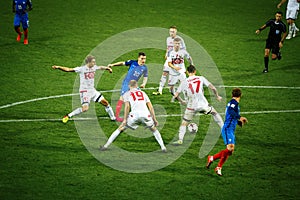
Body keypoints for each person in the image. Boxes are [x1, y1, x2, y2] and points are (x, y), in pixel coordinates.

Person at [100, 80, 167, 152]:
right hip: (145, 114)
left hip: (134, 115)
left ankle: (105, 146)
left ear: (129, 86)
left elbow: (127, 107)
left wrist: (125, 119)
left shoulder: (126, 94)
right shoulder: (143, 93)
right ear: (137, 86)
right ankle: (163, 147)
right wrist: (154, 119)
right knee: (154, 130)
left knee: (120, 129)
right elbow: (150, 107)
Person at [52, 55, 116, 123]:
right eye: (93, 62)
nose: (94, 63)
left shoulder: (94, 67)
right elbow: (68, 69)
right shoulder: (81, 69)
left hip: (93, 91)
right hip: (85, 91)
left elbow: (100, 67)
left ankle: (113, 118)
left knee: (105, 103)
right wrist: (58, 67)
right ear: (88, 62)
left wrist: (108, 68)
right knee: (85, 109)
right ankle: (68, 115)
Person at [172, 65, 224, 145]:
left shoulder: (184, 81)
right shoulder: (201, 78)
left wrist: (181, 101)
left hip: (191, 107)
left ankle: (180, 139)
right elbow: (213, 88)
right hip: (203, 105)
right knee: (214, 113)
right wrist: (217, 96)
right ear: (195, 71)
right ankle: (224, 131)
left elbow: (176, 95)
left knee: (184, 123)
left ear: (187, 72)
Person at [206, 88, 248, 176]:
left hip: (230, 129)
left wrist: (238, 122)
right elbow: (230, 111)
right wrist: (240, 117)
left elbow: (231, 115)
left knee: (230, 151)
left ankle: (212, 158)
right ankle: (218, 167)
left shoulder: (232, 103)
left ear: (232, 95)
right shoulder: (234, 103)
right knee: (230, 148)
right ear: (240, 95)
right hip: (227, 128)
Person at [108, 52, 148, 122]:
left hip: (134, 85)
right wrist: (112, 65)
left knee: (140, 98)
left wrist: (144, 83)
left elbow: (145, 76)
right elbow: (122, 63)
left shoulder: (144, 67)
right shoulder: (132, 62)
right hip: (126, 83)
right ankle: (117, 116)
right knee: (123, 98)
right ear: (138, 58)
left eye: (144, 59)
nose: (143, 60)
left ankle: (139, 114)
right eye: (142, 58)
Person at [153, 26, 186, 95]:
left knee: (180, 76)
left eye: (173, 32)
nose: (171, 33)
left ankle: (185, 89)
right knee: (164, 73)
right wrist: (166, 53)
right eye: (170, 31)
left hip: (176, 60)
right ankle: (160, 89)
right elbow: (168, 47)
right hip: (169, 58)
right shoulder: (168, 39)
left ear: (176, 32)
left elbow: (184, 50)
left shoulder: (180, 39)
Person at [167, 37, 193, 102]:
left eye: (179, 43)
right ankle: (176, 97)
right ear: (173, 44)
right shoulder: (170, 52)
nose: (177, 45)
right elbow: (169, 63)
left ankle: (187, 99)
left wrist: (191, 64)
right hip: (173, 72)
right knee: (171, 88)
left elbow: (189, 58)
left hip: (181, 71)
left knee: (184, 85)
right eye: (176, 43)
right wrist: (175, 68)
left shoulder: (183, 51)